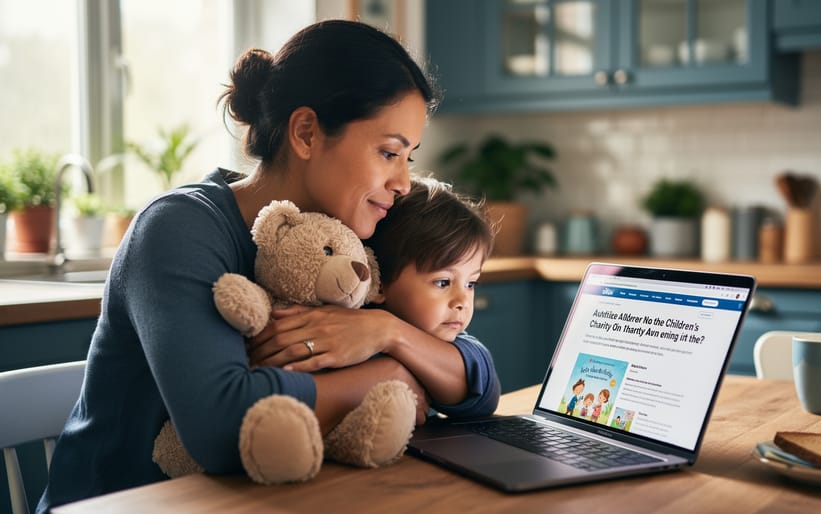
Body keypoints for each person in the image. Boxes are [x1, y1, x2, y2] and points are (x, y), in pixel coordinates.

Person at [38, 20, 500, 513]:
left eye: (409, 156)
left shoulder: (350, 231)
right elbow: (224, 426)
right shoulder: (180, 230)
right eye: (388, 152)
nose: (404, 181)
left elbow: (477, 381)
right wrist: (397, 377)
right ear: (306, 133)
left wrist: (388, 333)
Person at [362, 176, 494, 348]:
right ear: (378, 283)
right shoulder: (358, 346)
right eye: (443, 282)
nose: (462, 302)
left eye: (471, 284)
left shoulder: (463, 350)